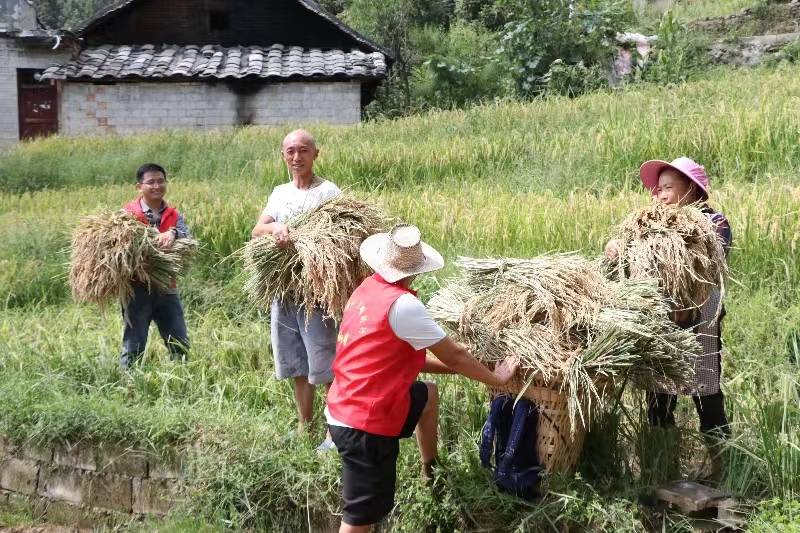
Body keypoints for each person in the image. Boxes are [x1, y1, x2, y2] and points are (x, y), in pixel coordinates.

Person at [326, 223, 519, 532]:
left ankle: (431, 470)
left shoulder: (367, 290)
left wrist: (464, 365)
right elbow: (454, 354)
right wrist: (495, 377)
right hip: (365, 424)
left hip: (345, 403)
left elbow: (407, 361)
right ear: (416, 268)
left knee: (427, 394)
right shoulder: (404, 306)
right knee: (359, 520)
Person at [606, 156, 732, 480]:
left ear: (690, 188)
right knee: (659, 398)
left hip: (701, 322)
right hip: (663, 322)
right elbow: (634, 258)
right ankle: (661, 470)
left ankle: (724, 470)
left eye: (668, 188)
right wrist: (619, 246)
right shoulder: (648, 226)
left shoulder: (713, 223)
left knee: (708, 397)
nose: (660, 195)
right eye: (658, 189)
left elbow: (709, 256)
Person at [251, 129, 341, 446]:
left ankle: (334, 433)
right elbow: (257, 230)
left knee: (325, 361)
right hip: (285, 291)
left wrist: (306, 242)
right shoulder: (280, 193)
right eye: (290, 151)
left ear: (316, 154)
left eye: (303, 150)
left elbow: (340, 238)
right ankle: (306, 426)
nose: (296, 157)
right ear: (283, 156)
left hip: (316, 292)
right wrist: (276, 227)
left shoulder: (328, 192)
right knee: (297, 363)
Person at [120, 163, 192, 369]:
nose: (157, 186)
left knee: (179, 341)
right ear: (139, 187)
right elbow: (118, 246)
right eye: (151, 182)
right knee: (134, 343)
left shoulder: (173, 215)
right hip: (137, 288)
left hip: (167, 287)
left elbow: (188, 235)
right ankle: (130, 386)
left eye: (161, 181)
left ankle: (182, 381)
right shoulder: (127, 215)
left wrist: (173, 233)